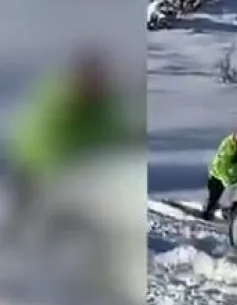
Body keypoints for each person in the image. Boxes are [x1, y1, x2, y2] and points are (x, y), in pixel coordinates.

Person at [6, 49, 138, 213]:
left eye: (101, 78)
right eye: (92, 78)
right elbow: (39, 149)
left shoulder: (102, 106)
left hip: (87, 177)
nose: (99, 84)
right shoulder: (56, 107)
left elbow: (117, 135)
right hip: (38, 176)